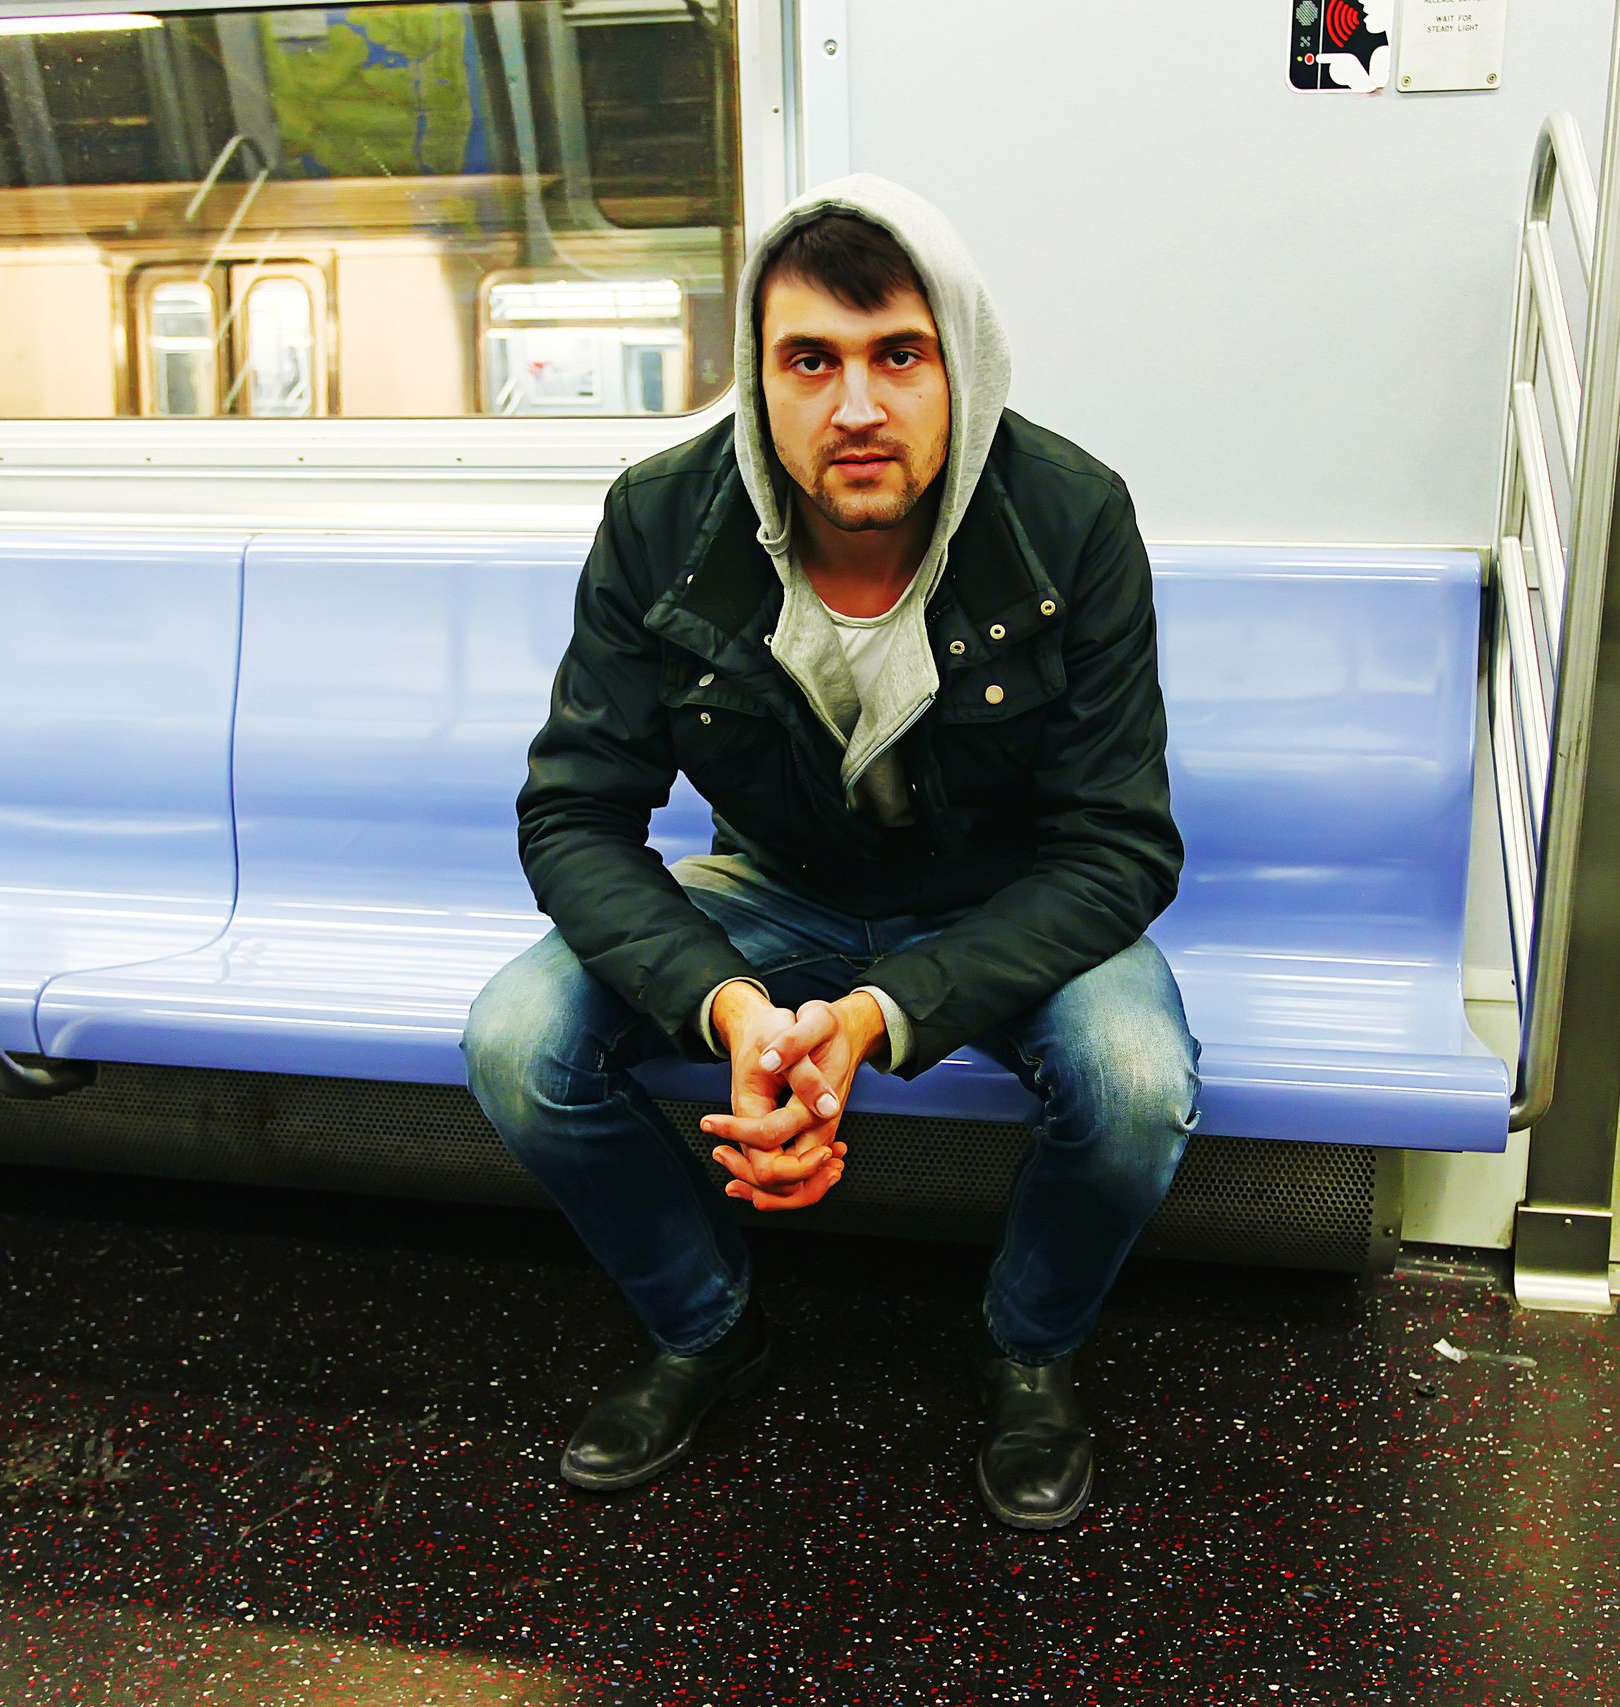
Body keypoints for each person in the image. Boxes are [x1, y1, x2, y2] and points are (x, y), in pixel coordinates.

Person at [463, 175, 1199, 1531]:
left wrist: (877, 1015)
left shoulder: (1071, 517)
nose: (856, 406)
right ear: (758, 376)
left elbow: (1117, 846)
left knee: (1136, 1086)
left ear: (960, 363)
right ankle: (705, 1327)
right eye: (811, 360)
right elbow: (574, 811)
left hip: (1006, 898)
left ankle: (1027, 1351)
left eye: (898, 356)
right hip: (772, 888)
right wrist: (729, 1006)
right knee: (519, 1040)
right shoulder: (663, 519)